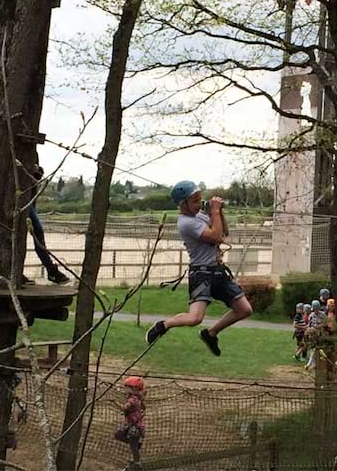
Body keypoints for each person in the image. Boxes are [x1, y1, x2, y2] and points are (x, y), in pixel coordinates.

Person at [145, 180, 253, 356]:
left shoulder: (200, 216)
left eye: (199, 200)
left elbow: (224, 232)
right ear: (182, 204)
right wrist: (215, 211)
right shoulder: (186, 223)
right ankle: (163, 325)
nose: (198, 204)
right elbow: (216, 236)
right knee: (195, 318)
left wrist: (219, 213)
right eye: (194, 201)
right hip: (201, 273)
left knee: (244, 310)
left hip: (217, 271)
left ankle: (210, 334)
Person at [24, 164, 70, 285]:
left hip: (28, 204)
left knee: (36, 235)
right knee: (37, 231)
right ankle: (51, 270)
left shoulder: (32, 181)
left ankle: (50, 270)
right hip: (23, 203)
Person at [115, 376, 146, 467]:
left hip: (135, 426)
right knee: (119, 435)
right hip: (133, 425)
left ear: (134, 388)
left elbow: (125, 407)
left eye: (127, 387)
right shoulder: (138, 398)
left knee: (132, 445)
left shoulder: (133, 399)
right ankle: (137, 445)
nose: (125, 389)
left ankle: (137, 462)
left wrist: (114, 403)